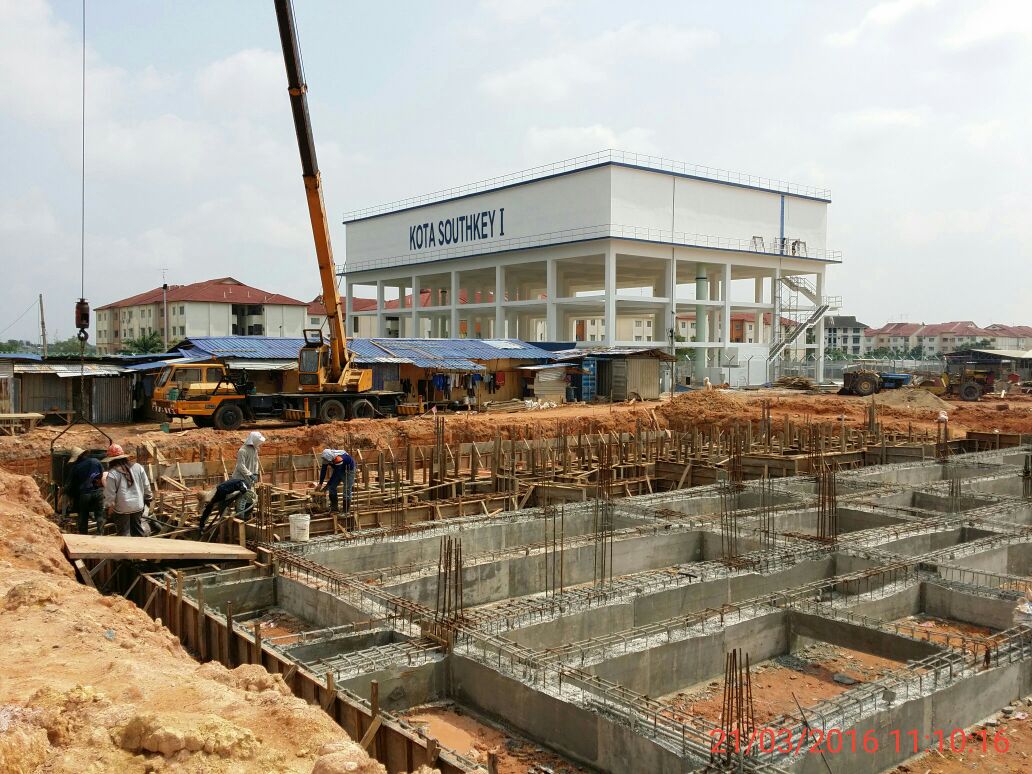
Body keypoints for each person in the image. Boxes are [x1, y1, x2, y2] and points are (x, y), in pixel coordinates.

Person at [103, 444, 152, 537]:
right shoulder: (138, 467)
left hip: (122, 508)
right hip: (138, 506)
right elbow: (146, 486)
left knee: (123, 533)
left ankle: (126, 549)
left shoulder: (112, 473)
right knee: (137, 531)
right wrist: (148, 497)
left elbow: (110, 495)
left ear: (111, 461)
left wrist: (108, 508)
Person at [64, 446, 105, 535]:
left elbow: (71, 484)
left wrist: (68, 494)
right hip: (98, 492)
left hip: (85, 494)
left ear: (77, 457)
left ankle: (83, 535)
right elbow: (102, 475)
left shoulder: (76, 467)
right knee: (99, 514)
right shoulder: (96, 461)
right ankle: (101, 533)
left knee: (83, 515)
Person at [230, 431, 265, 515]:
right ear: (253, 440)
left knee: (249, 497)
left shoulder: (255, 449)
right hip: (240, 479)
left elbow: (256, 462)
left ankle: (246, 514)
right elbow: (240, 466)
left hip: (248, 479)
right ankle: (240, 515)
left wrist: (255, 473)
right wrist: (250, 474)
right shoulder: (242, 450)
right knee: (241, 498)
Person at [316, 448, 356, 513]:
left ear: (331, 458)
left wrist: (326, 486)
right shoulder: (326, 458)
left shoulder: (338, 459)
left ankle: (346, 512)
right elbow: (323, 470)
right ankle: (334, 508)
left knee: (347, 490)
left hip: (349, 470)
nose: (327, 462)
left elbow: (336, 474)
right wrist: (320, 483)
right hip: (339, 469)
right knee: (332, 487)